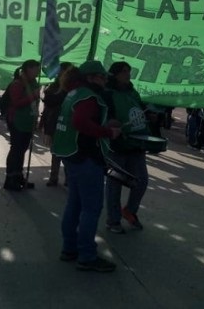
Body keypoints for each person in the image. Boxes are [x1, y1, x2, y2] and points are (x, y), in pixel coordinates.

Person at [52, 60, 121, 272]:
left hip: (72, 155)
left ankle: (69, 248)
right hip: (86, 157)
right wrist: (107, 132)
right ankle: (87, 255)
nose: (105, 80)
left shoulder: (74, 93)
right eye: (102, 76)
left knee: (74, 204)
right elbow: (80, 122)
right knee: (91, 208)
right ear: (90, 77)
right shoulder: (89, 96)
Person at [104, 61, 150, 233]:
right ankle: (113, 220)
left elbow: (141, 109)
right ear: (115, 74)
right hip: (117, 145)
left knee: (142, 181)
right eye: (124, 71)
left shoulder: (132, 91)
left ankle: (130, 211)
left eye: (129, 71)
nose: (128, 74)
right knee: (114, 184)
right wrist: (112, 123)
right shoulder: (108, 93)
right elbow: (104, 116)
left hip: (137, 144)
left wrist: (150, 115)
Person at [3, 59, 41, 191]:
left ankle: (18, 176)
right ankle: (10, 179)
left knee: (22, 150)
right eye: (36, 70)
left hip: (28, 121)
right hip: (17, 121)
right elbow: (16, 103)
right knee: (16, 150)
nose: (38, 73)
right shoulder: (17, 84)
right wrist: (33, 96)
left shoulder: (33, 83)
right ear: (28, 69)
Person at [40, 62, 73, 187]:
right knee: (55, 151)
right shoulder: (54, 87)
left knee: (67, 152)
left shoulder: (72, 88)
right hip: (54, 122)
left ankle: (68, 178)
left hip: (68, 124)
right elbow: (49, 104)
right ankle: (53, 177)